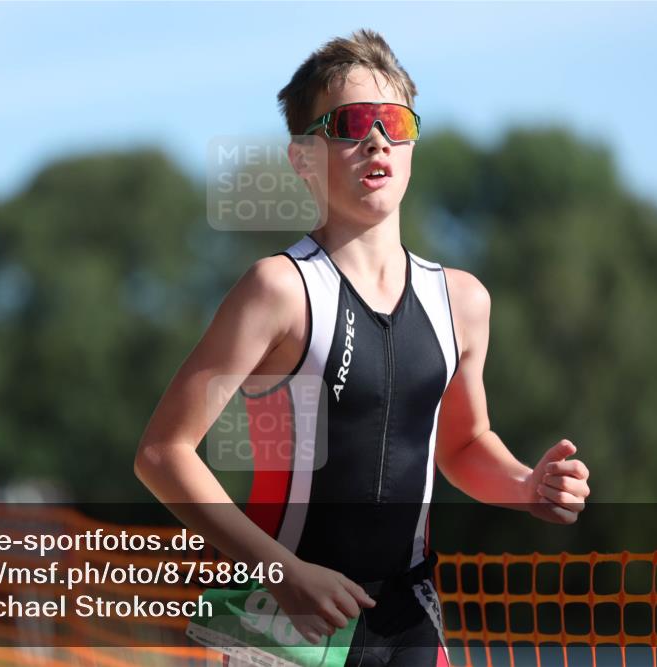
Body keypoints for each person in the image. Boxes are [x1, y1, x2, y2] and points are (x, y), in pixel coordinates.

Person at [134, 28, 591, 667]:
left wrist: (526, 483)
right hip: (292, 622)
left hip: (410, 619)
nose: (376, 140)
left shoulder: (463, 301)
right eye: (350, 124)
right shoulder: (278, 290)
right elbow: (162, 453)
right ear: (303, 158)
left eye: (394, 123)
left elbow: (462, 445)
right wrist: (282, 572)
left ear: (411, 148)